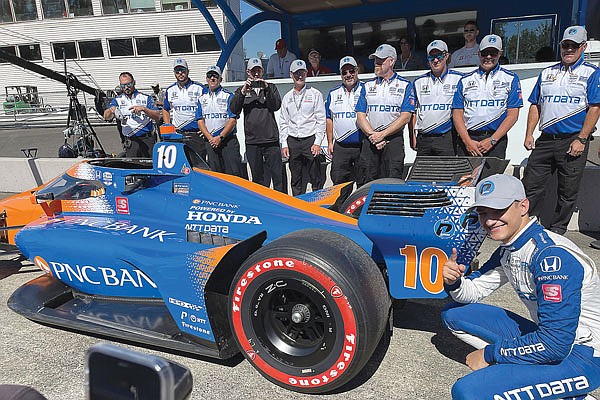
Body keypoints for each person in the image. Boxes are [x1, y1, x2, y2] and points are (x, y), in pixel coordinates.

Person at [441, 173, 600, 400]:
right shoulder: (511, 247)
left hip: (584, 354)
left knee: (468, 392)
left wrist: (491, 354)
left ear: (523, 206)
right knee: (453, 314)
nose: (488, 221)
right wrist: (454, 280)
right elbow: (472, 292)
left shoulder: (550, 257)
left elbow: (556, 344)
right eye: (483, 213)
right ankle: (522, 374)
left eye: (498, 210)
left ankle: (571, 393)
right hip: (550, 337)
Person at [522, 26, 600, 235]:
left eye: (574, 46)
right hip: (546, 139)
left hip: (573, 140)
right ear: (560, 46)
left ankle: (558, 230)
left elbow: (595, 108)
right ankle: (526, 225)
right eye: (565, 45)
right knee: (531, 185)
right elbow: (535, 105)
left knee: (567, 190)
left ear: (583, 47)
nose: (569, 49)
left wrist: (582, 139)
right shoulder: (547, 72)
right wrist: (529, 134)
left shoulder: (592, 73)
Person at [452, 34, 522, 159]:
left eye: (493, 53)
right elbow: (457, 114)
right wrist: (467, 142)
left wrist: (492, 140)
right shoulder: (465, 80)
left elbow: (513, 115)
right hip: (468, 141)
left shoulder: (511, 78)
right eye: (485, 53)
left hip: (496, 141)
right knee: (465, 179)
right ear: (478, 54)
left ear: (500, 53)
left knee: (492, 179)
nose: (488, 57)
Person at [356, 44, 415, 182]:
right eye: (375, 60)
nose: (376, 64)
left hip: (393, 141)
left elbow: (406, 116)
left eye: (381, 60)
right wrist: (373, 135)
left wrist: (382, 135)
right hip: (370, 140)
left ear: (392, 61)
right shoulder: (367, 86)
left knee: (393, 182)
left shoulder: (405, 85)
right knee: (367, 182)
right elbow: (360, 115)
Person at [230, 57, 285, 192]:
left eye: (258, 71)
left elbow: (276, 105)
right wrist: (243, 92)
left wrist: (266, 88)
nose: (256, 74)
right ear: (247, 72)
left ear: (262, 71)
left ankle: (283, 204)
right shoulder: (242, 91)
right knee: (257, 179)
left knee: (278, 177)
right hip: (252, 141)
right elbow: (234, 109)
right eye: (253, 71)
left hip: (271, 140)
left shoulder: (271, 87)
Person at [279, 59, 326, 195]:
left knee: (315, 177)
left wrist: (317, 143)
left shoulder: (315, 94)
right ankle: (298, 204)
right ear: (291, 75)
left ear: (306, 73)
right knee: (295, 178)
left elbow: (321, 120)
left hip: (310, 140)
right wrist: (284, 144)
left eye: (302, 73)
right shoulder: (287, 97)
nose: (300, 76)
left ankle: (317, 204)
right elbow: (283, 122)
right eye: (296, 73)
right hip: (293, 140)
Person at [410, 40, 462, 156]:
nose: (435, 60)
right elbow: (413, 112)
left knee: (447, 173)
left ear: (446, 56)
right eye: (431, 57)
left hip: (447, 137)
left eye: (439, 56)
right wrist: (412, 136)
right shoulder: (419, 82)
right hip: (423, 139)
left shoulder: (459, 79)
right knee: (424, 174)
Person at [196, 66, 244, 177]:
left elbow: (232, 120)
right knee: (216, 176)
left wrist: (220, 137)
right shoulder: (202, 98)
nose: (212, 78)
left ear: (220, 79)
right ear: (206, 79)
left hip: (228, 141)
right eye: (210, 76)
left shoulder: (228, 96)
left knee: (233, 176)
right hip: (211, 142)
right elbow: (200, 121)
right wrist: (210, 138)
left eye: (215, 76)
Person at [325, 56, 365, 184]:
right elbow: (329, 119)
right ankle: (339, 205)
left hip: (362, 145)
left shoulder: (367, 89)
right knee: (339, 183)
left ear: (357, 71)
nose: (348, 75)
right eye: (344, 72)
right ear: (341, 74)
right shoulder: (333, 93)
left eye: (351, 71)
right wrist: (330, 142)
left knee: (363, 183)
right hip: (341, 147)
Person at [103, 72, 160, 158]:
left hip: (147, 139)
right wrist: (111, 110)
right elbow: (106, 117)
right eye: (123, 85)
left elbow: (157, 116)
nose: (126, 88)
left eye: (128, 84)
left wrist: (144, 109)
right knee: (133, 168)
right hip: (130, 141)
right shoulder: (117, 100)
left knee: (149, 167)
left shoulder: (145, 98)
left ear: (134, 82)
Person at [162, 58, 207, 160]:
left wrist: (206, 128)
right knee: (181, 165)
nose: (180, 73)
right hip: (178, 134)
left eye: (183, 70)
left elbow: (208, 109)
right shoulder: (170, 90)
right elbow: (165, 109)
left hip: (196, 134)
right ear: (174, 73)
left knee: (199, 166)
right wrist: (168, 126)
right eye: (177, 71)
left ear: (188, 71)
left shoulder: (199, 88)